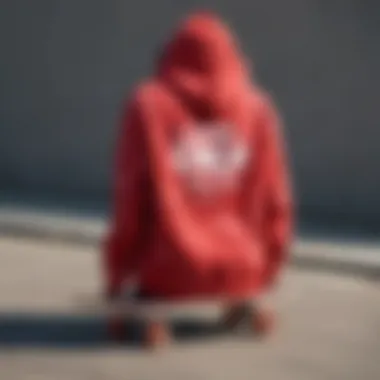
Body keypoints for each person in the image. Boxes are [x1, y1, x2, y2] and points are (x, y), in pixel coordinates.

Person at [103, 11, 293, 348]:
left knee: (158, 283)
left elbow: (130, 198)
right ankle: (242, 299)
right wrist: (266, 274)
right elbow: (277, 199)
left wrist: (117, 283)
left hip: (167, 269)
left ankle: (155, 315)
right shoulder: (259, 109)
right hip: (242, 267)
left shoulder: (148, 106)